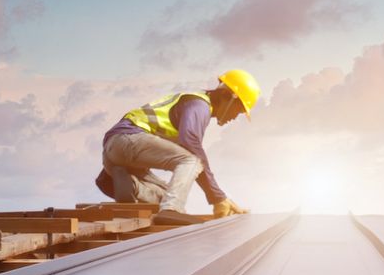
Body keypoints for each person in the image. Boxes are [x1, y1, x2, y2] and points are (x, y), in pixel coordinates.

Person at [95, 69, 260, 217]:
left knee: (167, 194)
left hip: (115, 156)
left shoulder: (197, 105)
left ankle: (132, 185)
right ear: (229, 97)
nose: (234, 118)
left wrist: (220, 197)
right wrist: (217, 197)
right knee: (193, 161)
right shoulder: (199, 106)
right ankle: (171, 210)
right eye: (238, 111)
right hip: (126, 140)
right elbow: (191, 144)